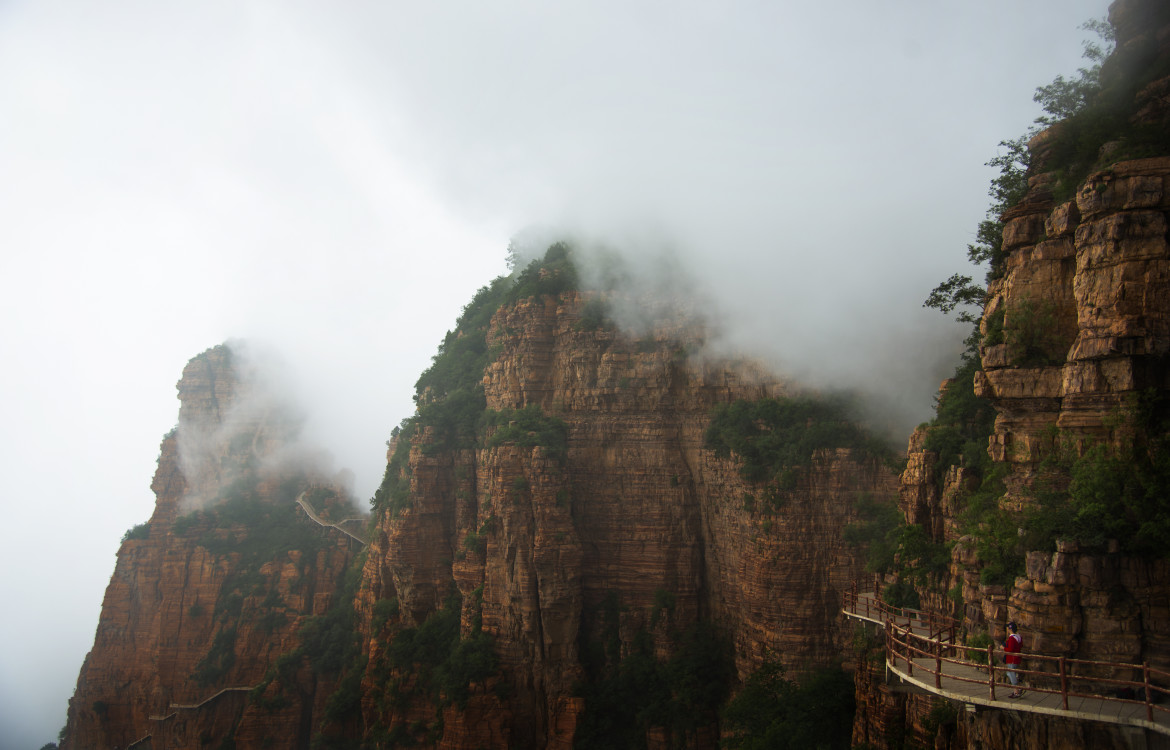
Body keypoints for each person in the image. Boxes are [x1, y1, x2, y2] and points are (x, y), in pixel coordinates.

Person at [1004, 621, 1024, 698]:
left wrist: (1004, 648)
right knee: (1012, 673)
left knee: (1011, 674)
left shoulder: (1012, 638)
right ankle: (1018, 688)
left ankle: (1016, 691)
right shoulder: (1018, 636)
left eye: (1008, 628)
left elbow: (1010, 649)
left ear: (1010, 629)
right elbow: (1020, 645)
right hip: (1017, 658)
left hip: (1012, 659)